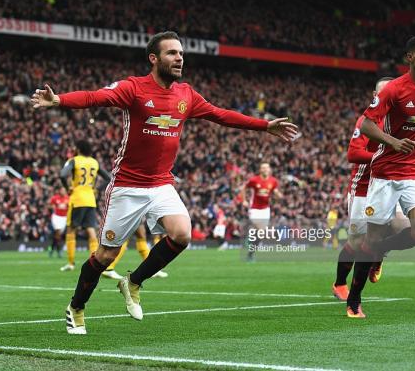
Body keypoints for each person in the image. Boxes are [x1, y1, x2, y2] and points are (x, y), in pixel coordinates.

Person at [31, 30, 298, 334]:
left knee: (182, 234)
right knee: (106, 255)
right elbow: (95, 97)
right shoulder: (133, 88)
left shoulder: (186, 94)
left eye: (181, 53)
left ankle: (132, 282)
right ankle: (76, 307)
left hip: (161, 185)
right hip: (127, 186)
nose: (179, 58)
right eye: (172, 53)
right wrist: (59, 100)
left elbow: (220, 115)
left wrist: (264, 125)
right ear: (153, 59)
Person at [346, 36, 415, 318]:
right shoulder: (393, 90)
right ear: (410, 57)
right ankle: (354, 299)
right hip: (384, 175)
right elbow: (367, 124)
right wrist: (391, 141)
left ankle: (382, 251)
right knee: (370, 239)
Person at [333, 77, 399, 300]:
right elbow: (353, 154)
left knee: (405, 226)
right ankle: (340, 283)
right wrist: (382, 157)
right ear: (374, 96)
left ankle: (378, 254)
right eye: (382, 93)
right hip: (363, 188)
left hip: (390, 185)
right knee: (355, 241)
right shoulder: (366, 120)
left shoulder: (402, 122)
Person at [59, 141, 110, 272]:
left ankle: (70, 263)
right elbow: (108, 178)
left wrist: (67, 188)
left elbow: (63, 175)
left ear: (79, 149)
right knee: (91, 230)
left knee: (71, 230)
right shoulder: (94, 162)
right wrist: (97, 189)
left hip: (77, 198)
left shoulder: (74, 160)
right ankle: (95, 262)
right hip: (90, 199)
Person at [240, 162, 281, 259]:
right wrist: (244, 200)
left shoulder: (273, 181)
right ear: (260, 170)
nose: (265, 169)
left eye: (267, 168)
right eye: (263, 168)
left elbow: (274, 191)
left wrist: (278, 194)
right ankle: (249, 238)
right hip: (254, 208)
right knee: (259, 228)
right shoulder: (254, 180)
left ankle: (251, 253)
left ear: (270, 169)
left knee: (261, 233)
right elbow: (243, 188)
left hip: (265, 209)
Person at [103, 223, 169, 279]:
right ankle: (108, 268)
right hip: (133, 210)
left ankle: (152, 268)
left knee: (140, 235)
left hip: (136, 209)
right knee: (128, 235)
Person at [49, 185, 69, 258]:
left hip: (64, 218)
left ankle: (52, 248)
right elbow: (50, 205)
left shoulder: (68, 198)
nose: (63, 192)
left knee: (58, 235)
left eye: (64, 190)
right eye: (61, 190)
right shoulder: (55, 198)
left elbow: (71, 207)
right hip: (56, 217)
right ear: (59, 191)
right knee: (58, 232)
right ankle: (59, 250)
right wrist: (54, 207)